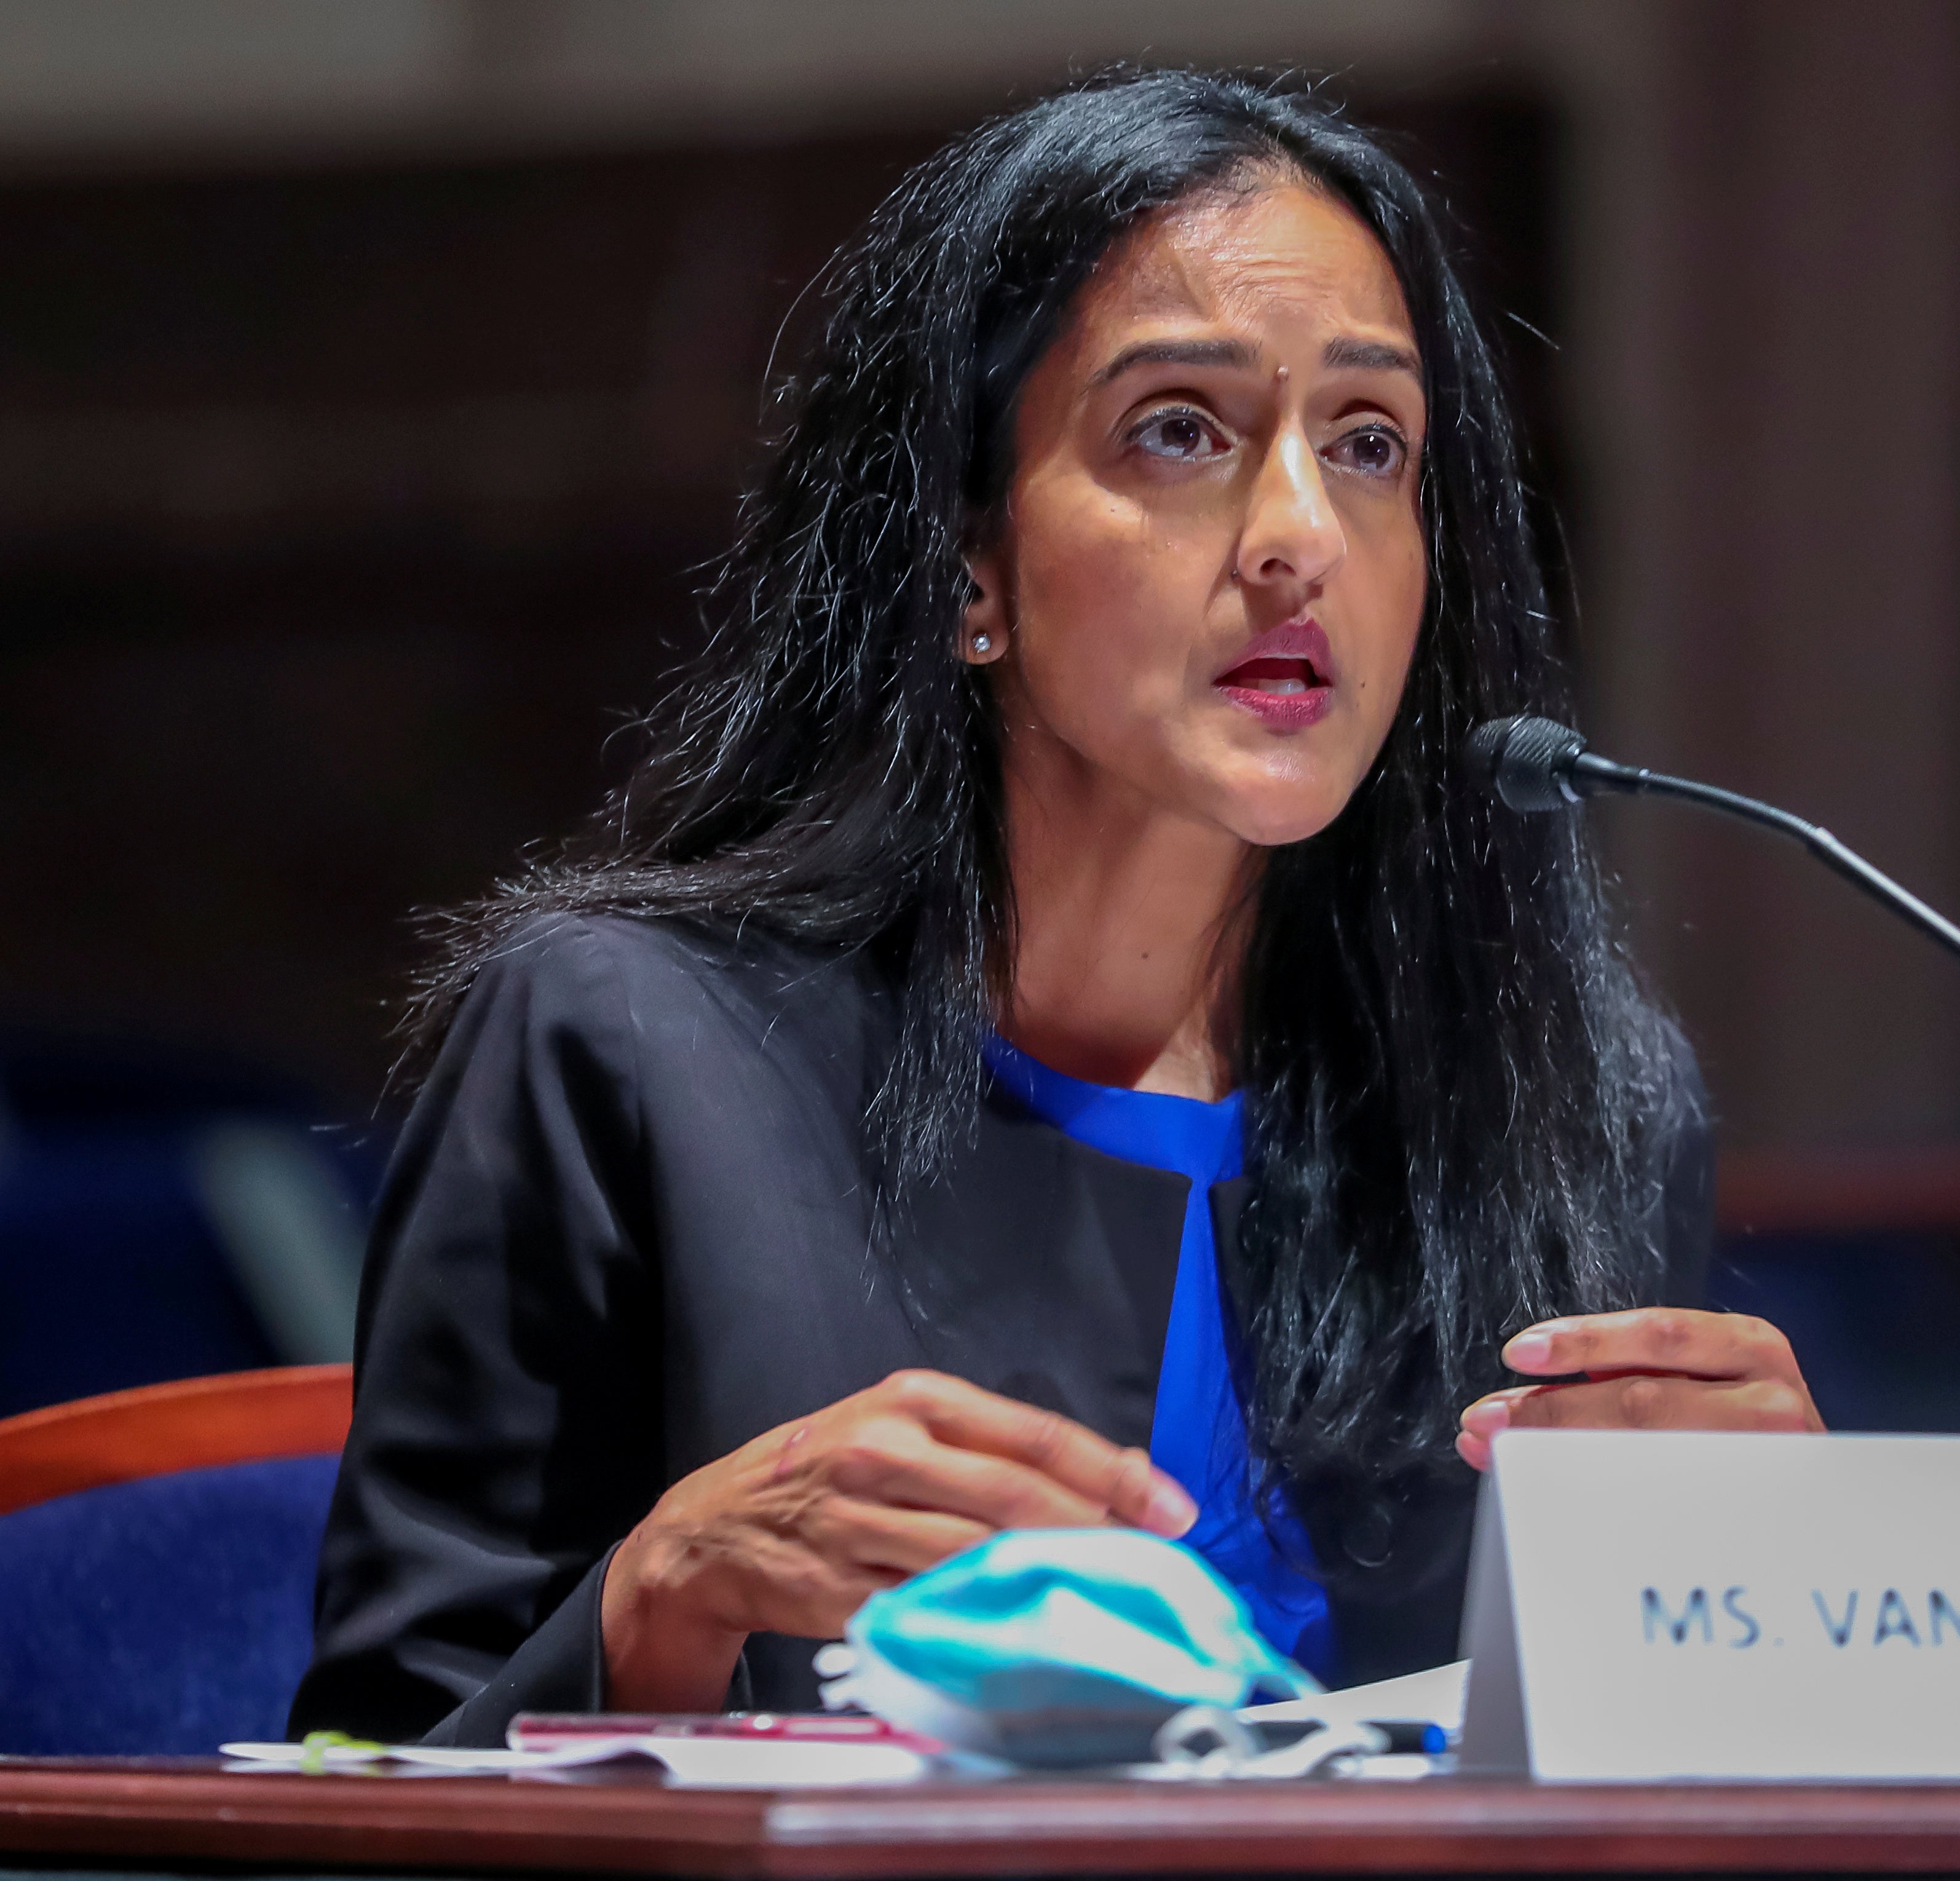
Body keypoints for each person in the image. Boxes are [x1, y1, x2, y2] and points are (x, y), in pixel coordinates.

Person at [291, 69, 1821, 1748]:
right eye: (1179, 427)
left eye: (1369, 444)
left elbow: (1636, 1789)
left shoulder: (1569, 1107)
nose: (1299, 533)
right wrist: (662, 1593)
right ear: (967, 566)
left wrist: (1770, 1599)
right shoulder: (629, 1056)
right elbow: (363, 1781)